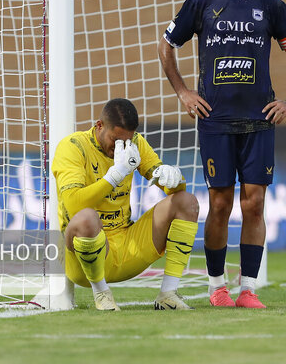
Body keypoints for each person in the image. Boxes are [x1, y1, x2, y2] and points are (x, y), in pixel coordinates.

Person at [158, 0, 286, 308]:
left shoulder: (271, 5)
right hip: (216, 121)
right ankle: (216, 287)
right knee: (220, 203)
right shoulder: (203, 2)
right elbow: (167, 45)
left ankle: (249, 290)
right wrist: (183, 91)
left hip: (259, 121)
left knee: (254, 203)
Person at [51, 98, 200, 311]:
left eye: (126, 141)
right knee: (86, 218)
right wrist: (115, 175)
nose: (120, 147)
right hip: (83, 261)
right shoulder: (74, 146)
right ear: (99, 125)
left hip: (126, 245)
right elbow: (74, 205)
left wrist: (175, 179)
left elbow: (172, 190)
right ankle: (101, 294)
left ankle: (168, 294)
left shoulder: (136, 143)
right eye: (115, 139)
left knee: (187, 202)